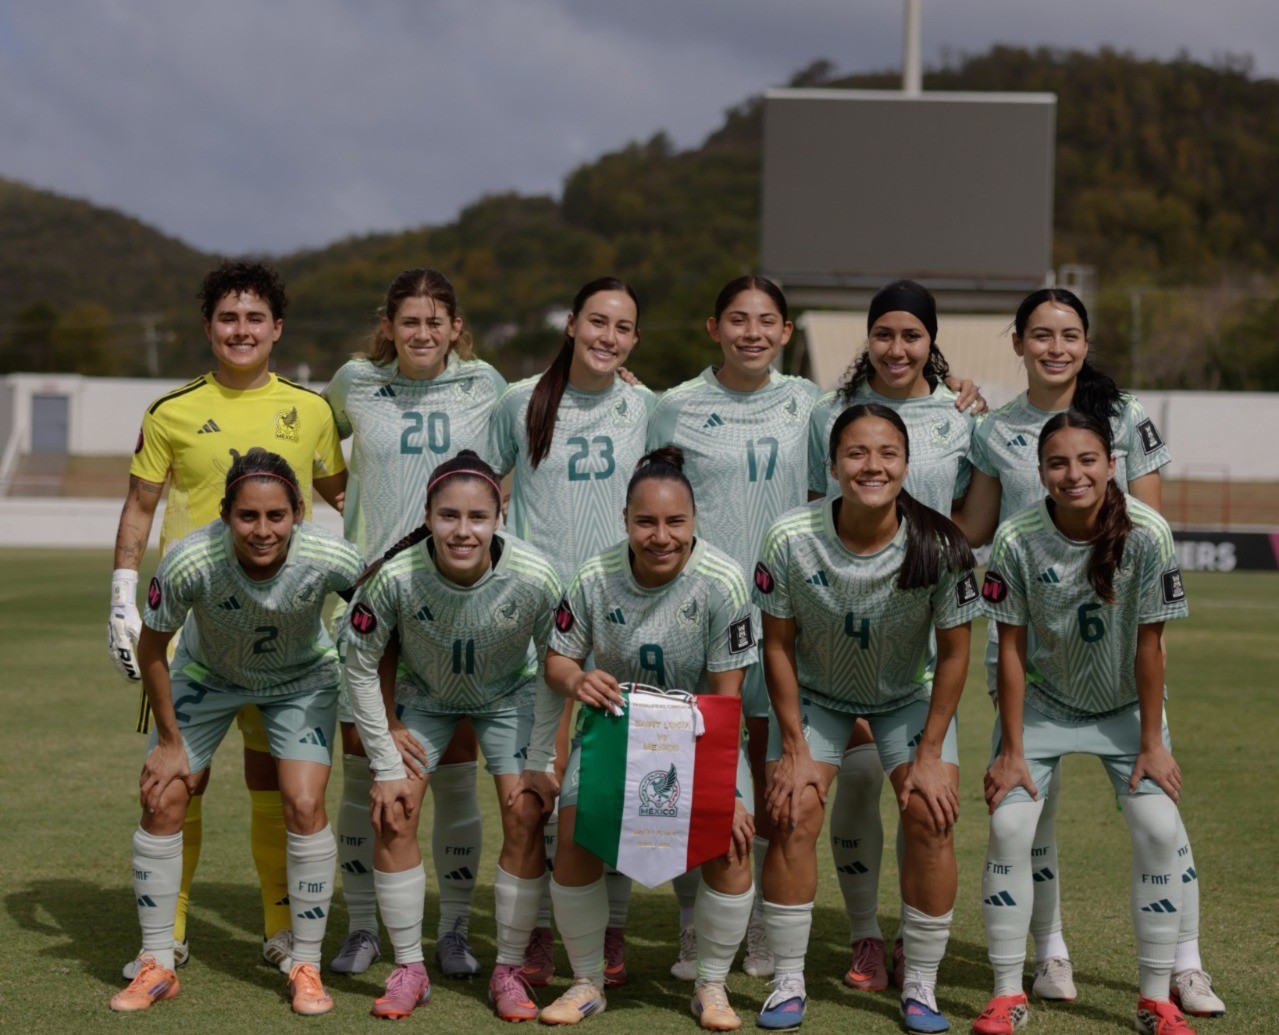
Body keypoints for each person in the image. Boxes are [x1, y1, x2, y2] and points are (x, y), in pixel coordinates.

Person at [955, 288, 1222, 1017]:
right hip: (1032, 650)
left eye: (1068, 334)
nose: (1053, 347)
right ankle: (1046, 954)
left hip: (1111, 655)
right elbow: (973, 526)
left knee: (1160, 818)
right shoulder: (992, 428)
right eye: (1038, 334)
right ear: (1017, 342)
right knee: (1022, 820)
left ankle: (1181, 967)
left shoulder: (1126, 418)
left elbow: (1145, 535)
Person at [107, 260, 346, 977]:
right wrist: (122, 591)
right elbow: (141, 506)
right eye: (227, 317)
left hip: (285, 627)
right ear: (209, 327)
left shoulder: (310, 409)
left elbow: (343, 495)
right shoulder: (171, 410)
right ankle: (168, 934)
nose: (240, 330)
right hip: (191, 624)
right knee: (182, 778)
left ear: (277, 328)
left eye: (254, 318)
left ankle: (282, 928)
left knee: (276, 777)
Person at [109, 449, 362, 1016]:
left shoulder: (331, 556)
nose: (263, 529)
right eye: (248, 516)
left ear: (299, 511)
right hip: (208, 674)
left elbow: (379, 611)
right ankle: (157, 963)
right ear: (226, 514)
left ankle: (307, 965)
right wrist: (171, 744)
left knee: (302, 803)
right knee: (164, 794)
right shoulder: (189, 561)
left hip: (300, 680)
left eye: (276, 515)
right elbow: (152, 647)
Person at [755, 404, 979, 1034]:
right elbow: (777, 645)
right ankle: (788, 981)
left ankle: (922, 986)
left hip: (906, 695)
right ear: (831, 465)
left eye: (887, 454)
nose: (872, 466)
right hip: (820, 695)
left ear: (908, 465)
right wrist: (795, 746)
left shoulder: (940, 543)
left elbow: (957, 652)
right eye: (856, 453)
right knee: (793, 808)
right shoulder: (790, 537)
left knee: (930, 815)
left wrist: (931, 755)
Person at [974, 410, 1196, 1035]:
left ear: (1111, 463)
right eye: (1058, 463)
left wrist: (1152, 744)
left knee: (1158, 826)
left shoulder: (1148, 533)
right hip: (1043, 708)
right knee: (1011, 825)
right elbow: (1009, 649)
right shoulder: (1016, 538)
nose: (1074, 474)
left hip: (1125, 710)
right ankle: (1006, 993)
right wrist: (1011, 750)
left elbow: (1150, 647)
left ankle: (1156, 998)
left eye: (1087, 460)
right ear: (1040, 472)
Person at [323, 267, 507, 977]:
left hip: (456, 605)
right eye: (409, 322)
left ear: (454, 326)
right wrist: (351, 502)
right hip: (370, 602)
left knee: (454, 773)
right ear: (389, 325)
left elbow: (512, 455)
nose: (422, 333)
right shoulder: (354, 382)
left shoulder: (484, 384)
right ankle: (363, 927)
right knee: (362, 773)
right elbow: (315, 445)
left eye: (435, 321)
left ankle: (454, 930)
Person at [534, 447, 757, 1030]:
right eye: (646, 522)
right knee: (577, 828)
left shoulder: (724, 580)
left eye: (675, 522)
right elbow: (557, 661)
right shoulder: (594, 574)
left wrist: (727, 790)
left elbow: (726, 695)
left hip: (700, 733)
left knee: (732, 839)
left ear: (693, 521)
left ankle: (710, 985)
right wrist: (579, 678)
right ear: (625, 520)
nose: (661, 536)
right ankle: (587, 982)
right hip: (614, 731)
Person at [340, 450, 561, 1021]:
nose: (463, 531)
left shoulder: (535, 576)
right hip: (426, 698)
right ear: (428, 515)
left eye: (477, 517)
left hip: (509, 696)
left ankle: (509, 969)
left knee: (526, 810)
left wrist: (542, 756)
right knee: (393, 808)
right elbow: (360, 664)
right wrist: (387, 753)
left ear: (498, 518)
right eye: (449, 516)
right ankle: (410, 966)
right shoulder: (395, 575)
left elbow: (559, 665)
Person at [805, 279, 980, 992]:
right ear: (867, 338)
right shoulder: (827, 414)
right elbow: (813, 513)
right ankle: (864, 936)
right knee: (852, 789)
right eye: (884, 334)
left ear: (930, 343)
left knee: (924, 801)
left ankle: (915, 938)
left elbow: (976, 514)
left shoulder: (961, 416)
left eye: (912, 335)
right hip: (841, 626)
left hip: (924, 630)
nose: (897, 347)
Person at [645, 275, 817, 980]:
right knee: (697, 777)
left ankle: (765, 932)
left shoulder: (809, 402)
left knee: (773, 778)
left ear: (784, 332)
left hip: (782, 617)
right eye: (737, 319)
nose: (752, 332)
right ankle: (696, 923)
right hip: (699, 613)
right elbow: (650, 496)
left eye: (766, 321)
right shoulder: (674, 406)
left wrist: (952, 387)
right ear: (712, 327)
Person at [487, 276, 654, 987]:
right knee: (535, 788)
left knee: (608, 785)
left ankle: (606, 930)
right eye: (596, 321)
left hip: (618, 616)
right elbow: (478, 488)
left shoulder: (648, 407)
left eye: (621, 327)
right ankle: (530, 938)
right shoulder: (518, 402)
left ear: (634, 341)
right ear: (571, 325)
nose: (607, 337)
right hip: (535, 624)